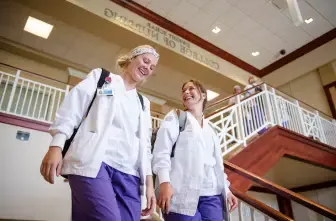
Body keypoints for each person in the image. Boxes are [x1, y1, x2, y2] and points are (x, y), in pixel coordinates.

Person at [40, 45, 159, 221]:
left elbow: (145, 146)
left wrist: (149, 184)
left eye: (152, 67)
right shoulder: (103, 80)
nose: (147, 68)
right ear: (131, 58)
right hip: (94, 163)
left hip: (130, 174)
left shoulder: (143, 103)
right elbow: (74, 107)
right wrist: (56, 145)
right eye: (145, 61)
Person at [152, 80, 238, 221]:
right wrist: (164, 182)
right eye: (183, 90)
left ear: (203, 95)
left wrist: (227, 191)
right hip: (181, 192)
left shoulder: (212, 129)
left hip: (212, 194)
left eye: (191, 88)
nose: (186, 92)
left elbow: (217, 165)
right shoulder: (176, 117)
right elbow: (162, 151)